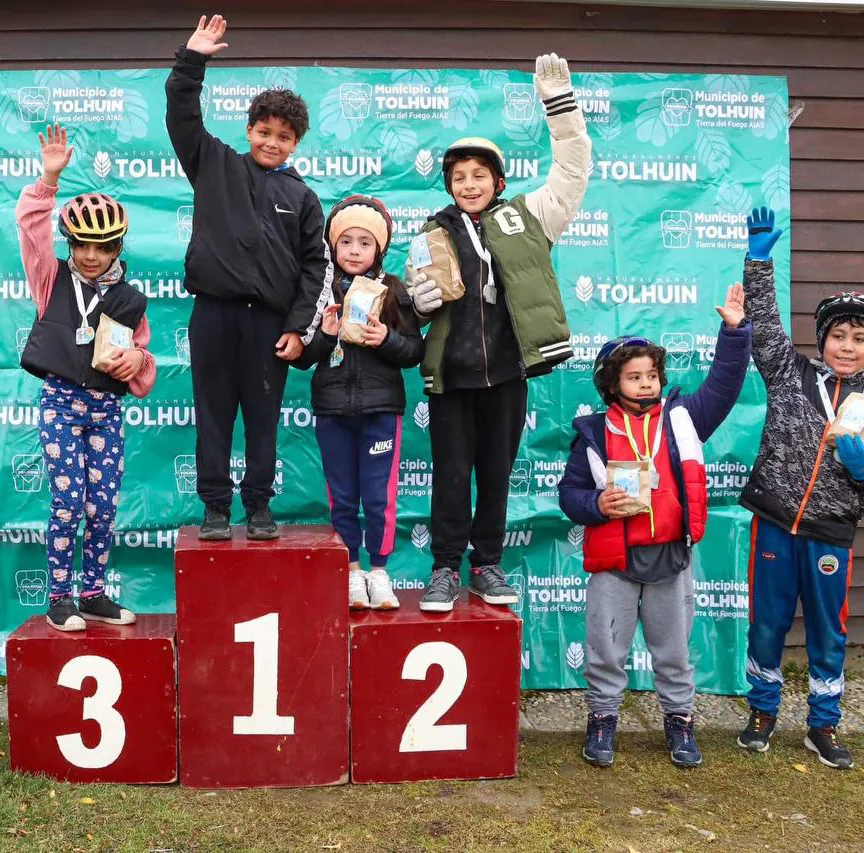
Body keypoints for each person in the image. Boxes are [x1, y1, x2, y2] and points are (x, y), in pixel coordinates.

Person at [406, 53, 590, 612]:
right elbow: (414, 302)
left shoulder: (529, 218)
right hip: (453, 377)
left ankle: (486, 564)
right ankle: (444, 568)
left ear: (498, 180)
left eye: (479, 175)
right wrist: (418, 303)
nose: (469, 185)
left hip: (508, 373)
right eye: (458, 177)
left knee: (495, 476)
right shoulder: (431, 233)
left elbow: (572, 172)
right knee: (450, 476)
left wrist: (560, 107)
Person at [736, 207, 864, 770]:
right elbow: (764, 325)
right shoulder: (792, 374)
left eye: (859, 338)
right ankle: (762, 711)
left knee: (828, 631)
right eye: (838, 336)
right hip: (775, 524)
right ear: (823, 340)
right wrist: (757, 262)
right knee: (767, 622)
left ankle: (823, 724)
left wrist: (863, 467)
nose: (847, 346)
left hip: (830, 533)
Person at [559, 287, 752, 768]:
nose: (646, 384)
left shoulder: (683, 419)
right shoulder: (593, 432)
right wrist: (597, 503)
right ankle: (603, 718)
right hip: (615, 561)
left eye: (652, 375)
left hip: (670, 557)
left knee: (673, 651)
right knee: (606, 648)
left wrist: (734, 333)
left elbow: (725, 386)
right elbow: (569, 495)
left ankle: (680, 720)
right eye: (634, 377)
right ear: (611, 385)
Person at [166, 13, 332, 541]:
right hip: (213, 316)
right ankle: (215, 509)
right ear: (249, 131)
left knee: (263, 420)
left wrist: (298, 326)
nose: (272, 142)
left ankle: (259, 506)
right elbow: (181, 115)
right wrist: (192, 60)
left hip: (269, 326)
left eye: (284, 136)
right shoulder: (214, 164)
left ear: (296, 143)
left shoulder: (303, 198)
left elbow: (316, 267)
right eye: (264, 132)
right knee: (212, 416)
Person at [15, 123, 157, 632]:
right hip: (60, 403)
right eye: (82, 245)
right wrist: (48, 180)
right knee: (68, 503)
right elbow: (31, 229)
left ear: (118, 248)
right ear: (71, 244)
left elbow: (143, 361)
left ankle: (93, 593)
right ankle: (59, 598)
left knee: (102, 507)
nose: (91, 256)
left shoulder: (130, 299)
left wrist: (138, 362)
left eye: (103, 247)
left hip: (105, 409)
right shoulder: (50, 277)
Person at [296, 195, 425, 609]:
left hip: (381, 410)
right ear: (332, 246)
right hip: (332, 409)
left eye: (365, 243)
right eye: (346, 242)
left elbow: (414, 351)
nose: (354, 250)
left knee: (378, 496)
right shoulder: (320, 291)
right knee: (342, 496)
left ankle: (380, 572)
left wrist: (386, 339)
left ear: (379, 249)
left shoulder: (393, 290)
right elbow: (303, 357)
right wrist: (324, 334)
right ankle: (351, 571)